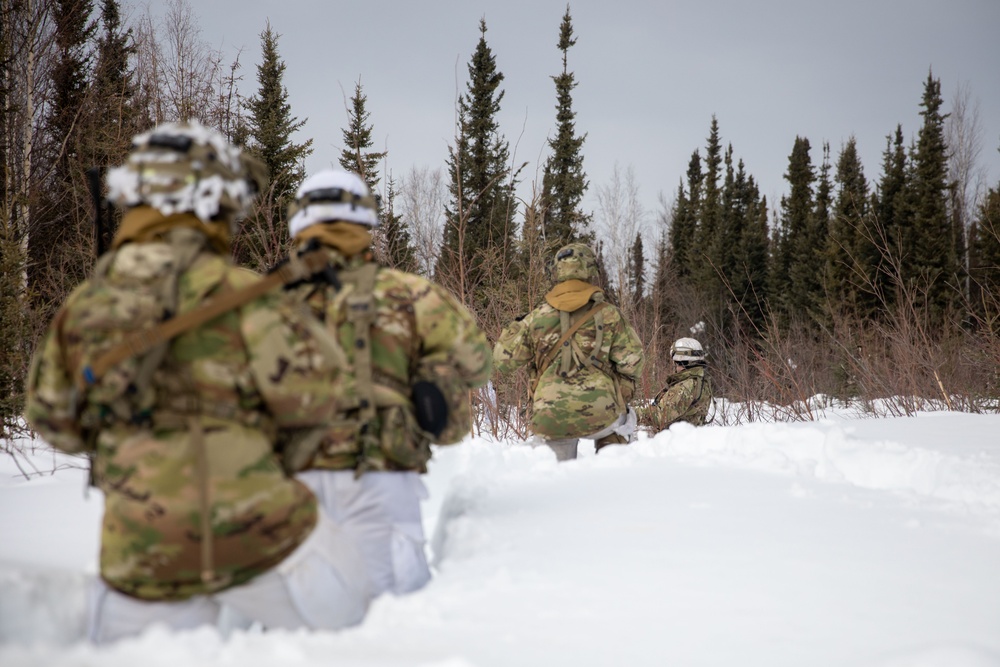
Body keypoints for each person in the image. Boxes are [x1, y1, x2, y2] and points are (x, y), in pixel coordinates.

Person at [24, 122, 370, 644]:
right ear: (215, 205)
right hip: (264, 539)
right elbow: (319, 397)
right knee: (366, 622)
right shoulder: (246, 294)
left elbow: (54, 420)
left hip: (141, 556)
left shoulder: (86, 307)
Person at [282, 169, 492, 597]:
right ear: (366, 223)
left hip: (287, 482)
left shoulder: (260, 300)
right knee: (393, 621)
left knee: (297, 626)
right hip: (382, 476)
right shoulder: (409, 293)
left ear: (299, 224)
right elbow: (479, 365)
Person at [493, 243, 645, 461]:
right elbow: (633, 363)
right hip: (602, 413)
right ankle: (612, 470)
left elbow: (502, 362)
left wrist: (517, 327)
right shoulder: (610, 315)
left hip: (550, 414)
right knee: (621, 425)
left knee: (557, 476)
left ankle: (560, 484)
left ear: (557, 271)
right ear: (591, 270)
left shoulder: (537, 316)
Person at [651, 337, 713, 428]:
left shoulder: (686, 386)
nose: (675, 365)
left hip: (676, 439)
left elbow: (660, 417)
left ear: (681, 361)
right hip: (689, 437)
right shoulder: (700, 381)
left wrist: (631, 414)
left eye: (676, 362)